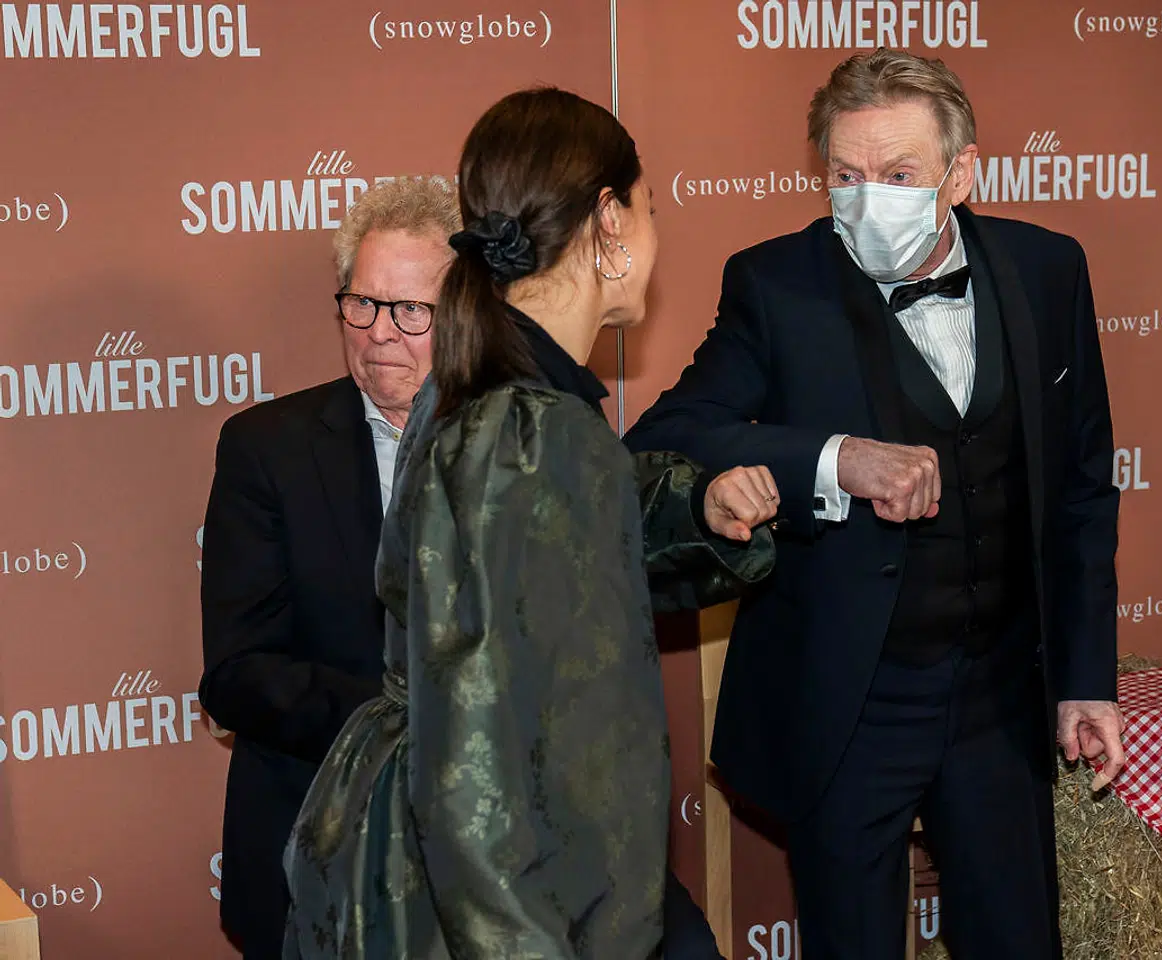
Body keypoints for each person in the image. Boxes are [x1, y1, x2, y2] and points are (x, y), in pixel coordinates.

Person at [623, 49, 1126, 960]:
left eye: (898, 175)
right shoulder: (777, 284)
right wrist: (833, 459)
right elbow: (668, 434)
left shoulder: (1049, 269)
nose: (867, 199)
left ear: (961, 172)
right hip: (851, 697)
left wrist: (1086, 675)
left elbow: (1086, 484)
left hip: (999, 694)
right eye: (845, 177)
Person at [281, 87, 778, 959]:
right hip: (512, 903)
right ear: (608, 221)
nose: (658, 239)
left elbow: (571, 561)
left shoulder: (504, 397)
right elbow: (472, 762)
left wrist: (699, 507)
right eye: (651, 209)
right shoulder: (524, 426)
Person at [198, 176, 460, 959]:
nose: (380, 333)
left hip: (486, 869)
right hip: (317, 853)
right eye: (362, 303)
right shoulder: (266, 450)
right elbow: (239, 673)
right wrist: (419, 729)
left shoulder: (521, 439)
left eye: (412, 310)